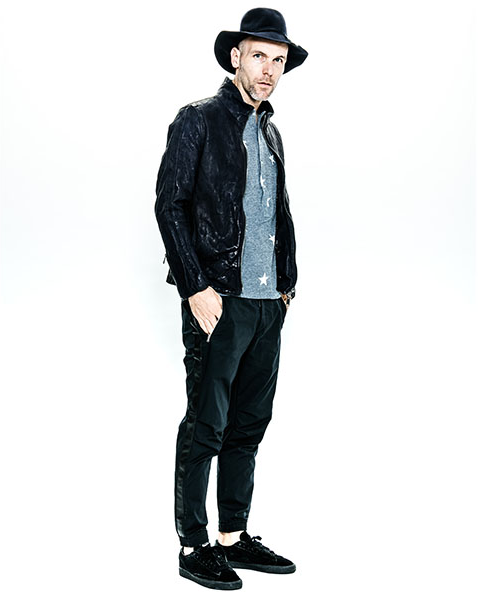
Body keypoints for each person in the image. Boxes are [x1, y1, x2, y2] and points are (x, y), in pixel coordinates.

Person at [154, 7, 308, 591]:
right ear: (235, 57)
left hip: (268, 303)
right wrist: (195, 286)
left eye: (278, 60)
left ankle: (232, 536)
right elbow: (170, 204)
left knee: (248, 425)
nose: (268, 69)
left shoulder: (271, 132)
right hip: (219, 297)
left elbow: (276, 215)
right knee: (206, 425)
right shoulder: (197, 120)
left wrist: (287, 285)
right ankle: (193, 545)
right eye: (259, 55)